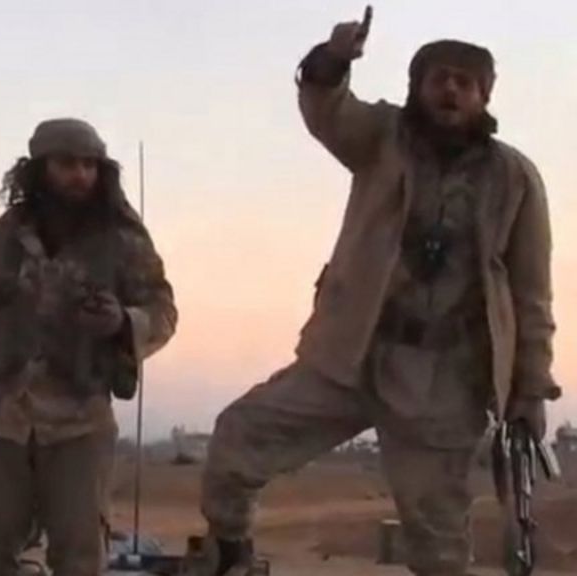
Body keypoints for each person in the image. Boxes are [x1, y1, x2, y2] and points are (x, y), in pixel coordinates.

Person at [197, 7, 560, 576]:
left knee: (438, 540)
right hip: (349, 355)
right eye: (438, 78)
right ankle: (230, 554)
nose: (450, 90)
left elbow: (532, 294)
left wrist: (530, 391)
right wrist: (333, 59)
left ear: (484, 96)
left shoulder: (514, 178)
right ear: (417, 87)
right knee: (237, 440)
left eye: (465, 82)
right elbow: (327, 111)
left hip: (444, 377)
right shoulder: (381, 137)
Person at [0, 117, 178, 576]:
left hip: (79, 421)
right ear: (38, 170)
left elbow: (162, 311)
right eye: (66, 164)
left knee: (79, 554)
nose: (80, 175)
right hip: (1, 421)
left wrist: (123, 322)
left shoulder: (122, 242)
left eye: (89, 165)